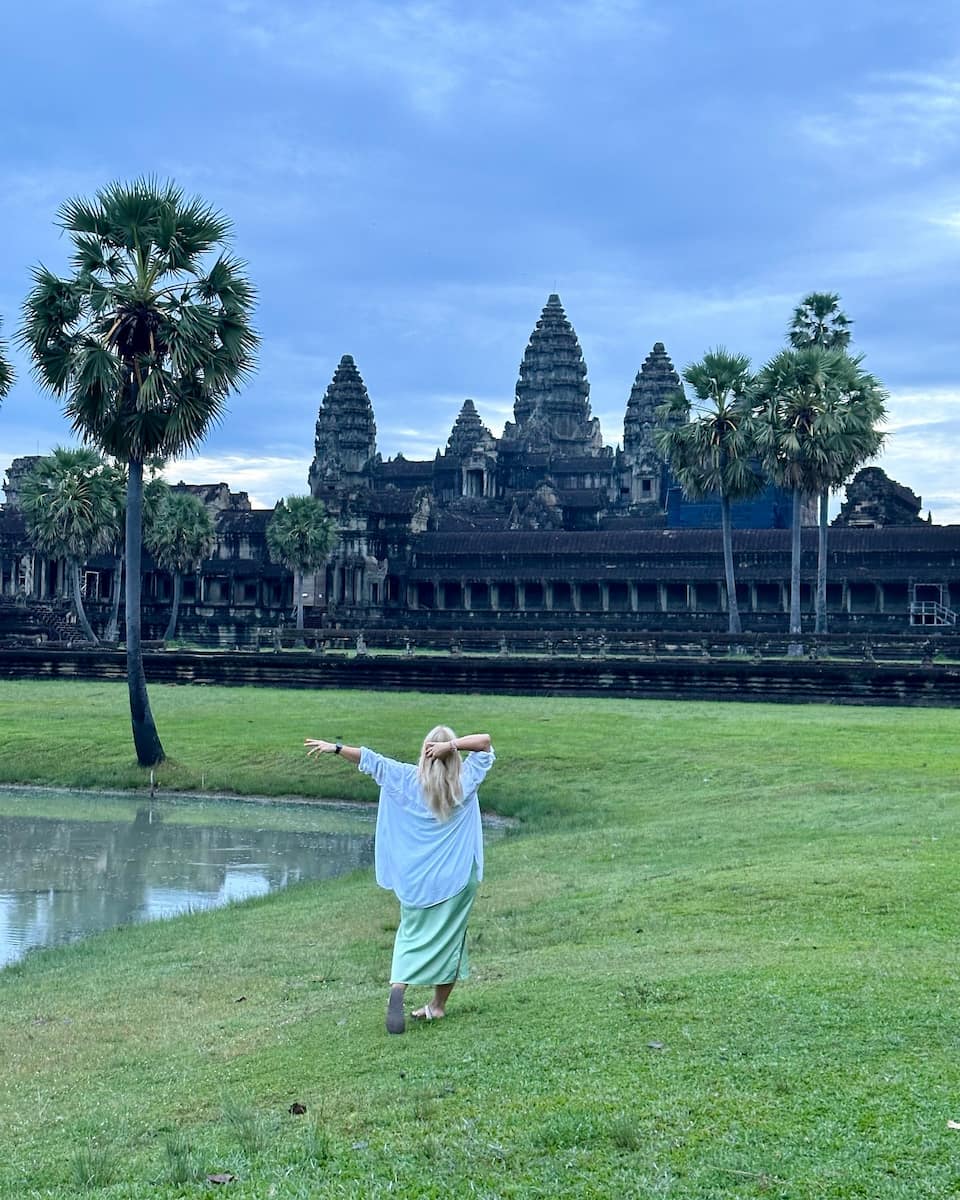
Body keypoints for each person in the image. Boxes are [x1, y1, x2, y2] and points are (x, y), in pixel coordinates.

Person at [305, 726, 495, 1034]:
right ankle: (437, 1005)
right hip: (457, 877)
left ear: (425, 751)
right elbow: (485, 742)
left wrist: (336, 748)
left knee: (409, 935)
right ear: (453, 755)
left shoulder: (407, 779)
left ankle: (399, 986)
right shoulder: (465, 781)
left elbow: (371, 761)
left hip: (417, 880)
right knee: (450, 941)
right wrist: (452, 746)